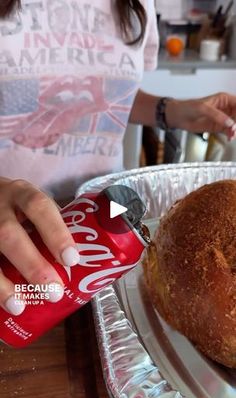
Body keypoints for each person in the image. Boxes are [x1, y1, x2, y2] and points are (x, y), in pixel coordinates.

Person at [0, 0, 236, 316]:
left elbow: (109, 90)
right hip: (13, 240)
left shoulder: (138, 4)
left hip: (105, 227)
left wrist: (171, 110)